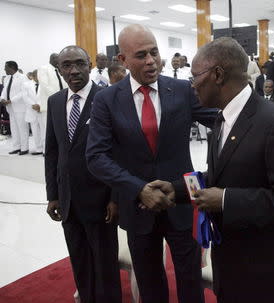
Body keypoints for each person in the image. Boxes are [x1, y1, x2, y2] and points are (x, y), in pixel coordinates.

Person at [152, 37, 274, 303]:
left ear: (218, 75)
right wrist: (176, 189)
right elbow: (221, 177)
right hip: (232, 265)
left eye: (195, 76)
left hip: (269, 273)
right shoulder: (222, 118)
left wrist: (227, 200)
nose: (192, 84)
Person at [85, 24, 217, 303]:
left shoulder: (181, 89)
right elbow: (96, 157)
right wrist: (137, 188)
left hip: (185, 193)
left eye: (154, 52)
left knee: (190, 275)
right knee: (149, 279)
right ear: (122, 60)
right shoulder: (107, 100)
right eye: (141, 55)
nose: (151, 61)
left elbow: (222, 117)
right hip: (137, 202)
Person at [45, 45, 121, 303]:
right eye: (67, 65)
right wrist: (53, 195)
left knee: (105, 264)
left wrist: (115, 197)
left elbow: (119, 152)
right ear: (59, 69)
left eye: (79, 63)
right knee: (79, 260)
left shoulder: (109, 97)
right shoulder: (55, 101)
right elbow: (53, 152)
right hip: (67, 200)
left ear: (90, 64)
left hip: (100, 200)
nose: (74, 70)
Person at [37, 53, 67, 152]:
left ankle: (58, 148)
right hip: (48, 104)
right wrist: (58, 97)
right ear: (52, 59)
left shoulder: (59, 71)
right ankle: (47, 151)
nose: (59, 61)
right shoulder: (44, 68)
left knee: (58, 127)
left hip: (61, 102)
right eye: (57, 59)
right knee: (47, 128)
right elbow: (45, 85)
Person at [0, 61, 29, 155]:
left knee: (22, 128)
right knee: (14, 128)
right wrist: (2, 99)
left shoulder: (22, 77)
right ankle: (16, 147)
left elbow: (23, 92)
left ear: (12, 67)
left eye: (6, 67)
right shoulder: (7, 78)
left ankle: (24, 148)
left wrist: (11, 100)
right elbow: (4, 90)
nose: (4, 69)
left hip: (20, 107)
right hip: (10, 108)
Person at [22, 70, 43, 155]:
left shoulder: (44, 84)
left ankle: (45, 149)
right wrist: (33, 105)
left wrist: (40, 105)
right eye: (36, 75)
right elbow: (25, 97)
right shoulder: (26, 84)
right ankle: (38, 149)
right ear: (33, 76)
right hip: (32, 110)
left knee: (44, 130)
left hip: (42, 110)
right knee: (35, 131)